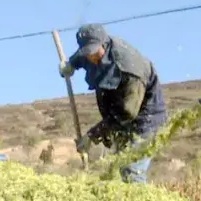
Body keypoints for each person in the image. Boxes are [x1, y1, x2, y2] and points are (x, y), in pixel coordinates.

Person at [59, 24, 168, 183]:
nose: (91, 57)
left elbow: (127, 112)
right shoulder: (91, 51)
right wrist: (70, 65)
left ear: (104, 44)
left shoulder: (129, 68)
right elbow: (81, 55)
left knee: (131, 169)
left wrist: (92, 136)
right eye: (87, 53)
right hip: (120, 120)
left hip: (145, 120)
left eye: (94, 52)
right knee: (118, 168)